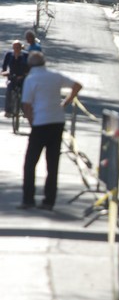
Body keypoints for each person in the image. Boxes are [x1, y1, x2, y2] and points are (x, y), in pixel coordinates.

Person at [19, 51, 82, 210]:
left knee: (30, 163)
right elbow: (77, 86)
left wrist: (31, 121)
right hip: (57, 122)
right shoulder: (55, 75)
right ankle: (49, 200)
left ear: (30, 65)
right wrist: (64, 103)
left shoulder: (31, 79)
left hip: (40, 123)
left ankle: (28, 199)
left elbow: (26, 105)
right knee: (52, 163)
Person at [1, 40, 29, 116]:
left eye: (18, 47)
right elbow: (4, 66)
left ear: (21, 48)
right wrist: (4, 72)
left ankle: (25, 110)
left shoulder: (26, 55)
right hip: (12, 77)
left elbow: (30, 66)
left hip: (23, 77)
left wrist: (25, 74)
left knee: (25, 92)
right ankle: (8, 111)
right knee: (9, 90)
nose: (16, 49)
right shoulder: (9, 55)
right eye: (15, 47)